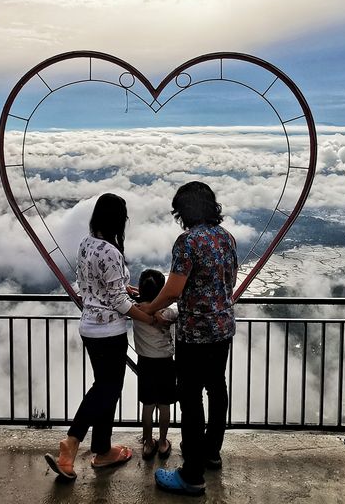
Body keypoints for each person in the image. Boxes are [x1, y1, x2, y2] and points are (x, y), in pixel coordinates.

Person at [44, 193, 157, 481]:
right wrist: (150, 318)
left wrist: (125, 289)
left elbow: (93, 285)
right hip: (109, 332)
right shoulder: (111, 251)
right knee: (106, 389)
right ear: (118, 220)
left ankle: (103, 450)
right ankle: (71, 443)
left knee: (106, 388)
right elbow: (118, 303)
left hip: (89, 328)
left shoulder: (86, 244)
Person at [142, 181, 238, 497]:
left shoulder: (187, 243)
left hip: (194, 334)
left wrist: (149, 307)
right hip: (223, 329)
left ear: (183, 211)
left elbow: (173, 290)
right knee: (217, 388)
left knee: (191, 398)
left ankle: (192, 474)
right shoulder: (226, 238)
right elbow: (230, 281)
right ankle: (212, 452)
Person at [133, 268, 178, 461]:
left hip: (145, 362)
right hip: (166, 362)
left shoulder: (135, 309)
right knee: (165, 405)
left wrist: (135, 294)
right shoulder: (168, 312)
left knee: (148, 405)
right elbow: (176, 309)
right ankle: (162, 443)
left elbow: (130, 301)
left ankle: (148, 443)